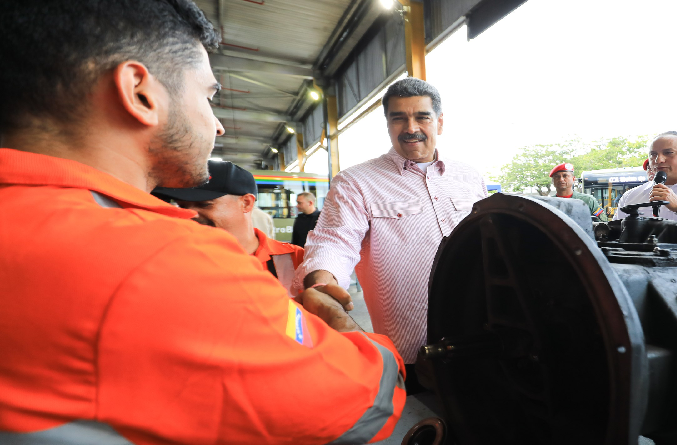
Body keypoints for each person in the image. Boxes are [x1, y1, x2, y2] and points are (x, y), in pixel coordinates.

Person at [0, 2, 405, 444]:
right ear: (140, 92)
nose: (218, 126)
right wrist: (342, 327)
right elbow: (364, 403)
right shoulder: (162, 260)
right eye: (209, 96)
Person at [292, 77, 488, 393]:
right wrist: (323, 283)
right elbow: (335, 240)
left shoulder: (470, 176)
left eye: (422, 116)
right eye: (399, 118)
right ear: (388, 125)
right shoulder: (356, 182)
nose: (410, 127)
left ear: (439, 122)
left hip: (479, 327)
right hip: (410, 345)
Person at [153, 161, 303, 295]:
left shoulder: (298, 261)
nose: (189, 214)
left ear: (246, 203)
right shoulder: (171, 262)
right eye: (182, 206)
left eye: (204, 204)